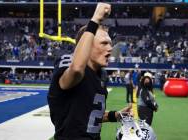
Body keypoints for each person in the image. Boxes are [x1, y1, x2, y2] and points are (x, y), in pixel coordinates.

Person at [47, 3, 132, 140]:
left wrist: (115, 115)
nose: (110, 48)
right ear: (86, 46)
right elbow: (76, 69)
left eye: (110, 43)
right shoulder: (69, 63)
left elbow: (89, 114)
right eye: (104, 43)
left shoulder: (100, 74)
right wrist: (95, 19)